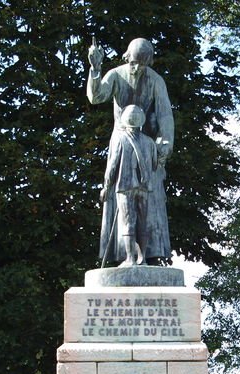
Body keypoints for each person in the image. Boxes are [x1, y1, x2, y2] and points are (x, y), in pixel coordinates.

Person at [87, 37, 173, 265]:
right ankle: (122, 256)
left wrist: (164, 144)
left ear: (149, 63)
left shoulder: (156, 81)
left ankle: (148, 257)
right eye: (134, 62)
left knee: (148, 207)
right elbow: (97, 97)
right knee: (121, 204)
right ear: (127, 57)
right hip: (122, 143)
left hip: (148, 149)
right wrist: (95, 68)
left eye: (142, 64)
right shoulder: (115, 74)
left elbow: (165, 115)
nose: (136, 68)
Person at [101, 105, 158, 266]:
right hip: (144, 188)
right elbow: (154, 165)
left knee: (128, 222)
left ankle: (130, 258)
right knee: (143, 222)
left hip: (125, 187)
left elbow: (112, 166)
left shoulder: (120, 139)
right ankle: (143, 258)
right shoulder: (150, 142)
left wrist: (106, 186)